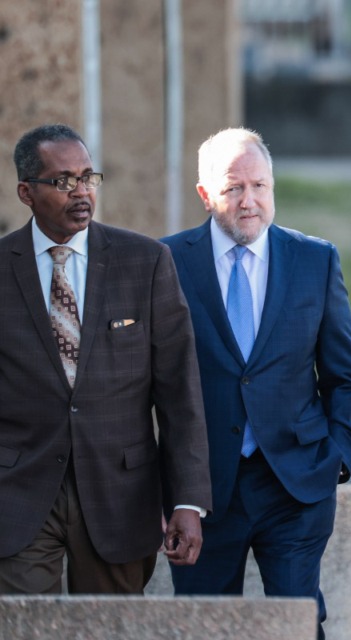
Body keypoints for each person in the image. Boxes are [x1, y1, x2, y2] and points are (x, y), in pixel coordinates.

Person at [161, 128, 351, 638]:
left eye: (260, 186)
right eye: (234, 188)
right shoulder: (166, 263)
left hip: (294, 483)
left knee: (296, 624)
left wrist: (337, 457)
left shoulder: (315, 260)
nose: (249, 201)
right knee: (206, 628)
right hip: (203, 490)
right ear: (206, 195)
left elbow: (343, 376)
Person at [0, 123, 211, 594]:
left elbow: (180, 391)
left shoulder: (146, 262)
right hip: (19, 492)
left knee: (110, 628)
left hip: (121, 494)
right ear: (26, 192)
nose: (80, 192)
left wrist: (189, 501)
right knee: (25, 630)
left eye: (87, 177)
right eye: (62, 181)